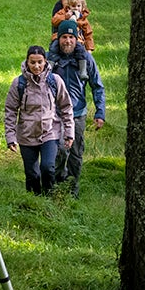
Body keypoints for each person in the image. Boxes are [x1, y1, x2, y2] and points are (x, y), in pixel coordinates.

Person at [44, 19, 105, 195]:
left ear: (77, 38)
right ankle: (53, 187)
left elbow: (97, 86)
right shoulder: (49, 59)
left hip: (78, 113)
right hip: (54, 114)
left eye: (71, 37)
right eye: (64, 37)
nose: (68, 41)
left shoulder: (85, 59)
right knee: (58, 151)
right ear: (58, 38)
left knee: (76, 154)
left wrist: (100, 112)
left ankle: (72, 190)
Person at [3, 45, 74, 195]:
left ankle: (49, 198)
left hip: (50, 132)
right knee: (32, 174)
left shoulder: (55, 80)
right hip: (26, 135)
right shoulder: (19, 83)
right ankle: (34, 202)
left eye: (40, 62)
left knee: (48, 168)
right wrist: (10, 137)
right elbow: (10, 110)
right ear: (27, 62)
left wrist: (69, 133)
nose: (36, 66)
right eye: (33, 62)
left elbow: (66, 107)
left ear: (45, 62)